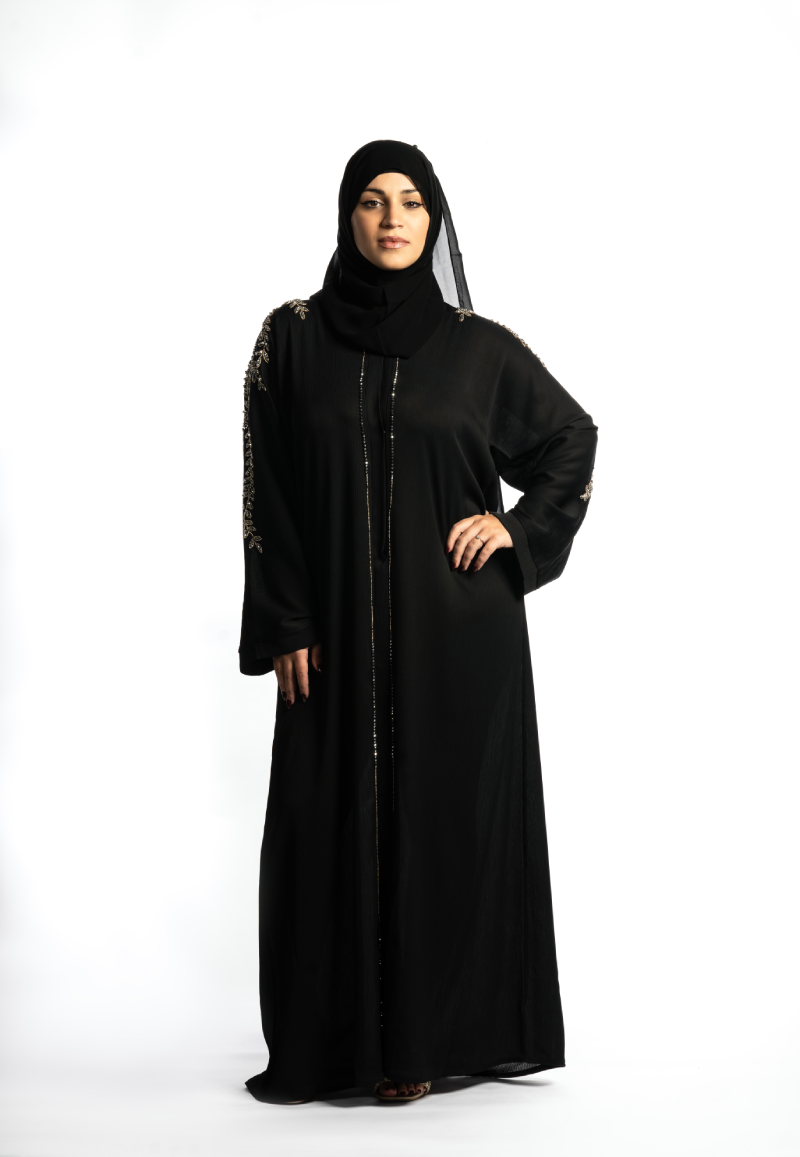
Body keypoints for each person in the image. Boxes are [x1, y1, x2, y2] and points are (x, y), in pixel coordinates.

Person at [238, 140, 598, 1105]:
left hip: (459, 636)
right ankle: (342, 1040)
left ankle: (425, 1043)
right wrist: (285, 618)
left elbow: (572, 437)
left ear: (434, 221)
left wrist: (516, 528)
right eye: (372, 200)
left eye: (411, 202)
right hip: (331, 639)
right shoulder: (291, 339)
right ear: (346, 215)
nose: (392, 219)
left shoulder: (477, 348)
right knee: (326, 817)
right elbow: (267, 487)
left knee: (444, 826)